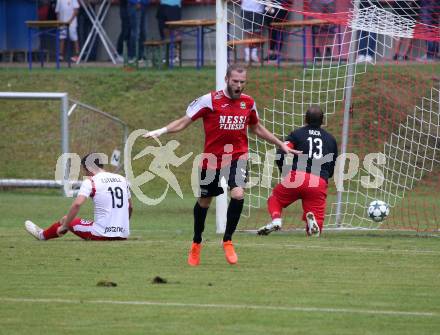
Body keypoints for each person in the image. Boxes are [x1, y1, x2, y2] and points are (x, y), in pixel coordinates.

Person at [143, 64, 301, 266]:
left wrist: (280, 144)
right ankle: (196, 242)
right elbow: (185, 121)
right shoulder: (210, 100)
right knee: (204, 201)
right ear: (227, 79)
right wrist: (162, 131)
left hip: (238, 156)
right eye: (235, 81)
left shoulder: (248, 103)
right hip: (212, 159)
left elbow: (256, 128)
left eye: (242, 82)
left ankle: (227, 240)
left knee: (238, 194)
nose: (239, 85)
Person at [257, 105, 338, 237]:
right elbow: (332, 166)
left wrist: (285, 171)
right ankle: (313, 225)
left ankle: (276, 219)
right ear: (323, 121)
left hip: (297, 177)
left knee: (275, 199)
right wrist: (325, 177)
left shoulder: (297, 134)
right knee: (316, 229)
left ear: (305, 119)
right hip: (318, 182)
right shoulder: (331, 139)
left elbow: (281, 152)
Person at [25, 153, 133, 241]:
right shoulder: (122, 179)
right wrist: (121, 225)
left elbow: (77, 204)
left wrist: (64, 226)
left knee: (66, 220)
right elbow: (130, 207)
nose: (85, 173)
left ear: (90, 167)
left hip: (101, 233)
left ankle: (42, 235)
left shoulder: (91, 181)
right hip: (123, 233)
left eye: (85, 170)